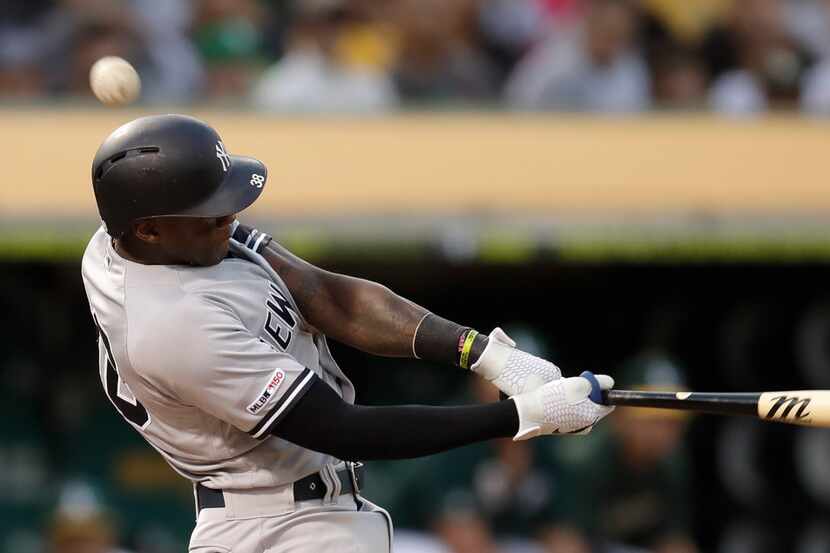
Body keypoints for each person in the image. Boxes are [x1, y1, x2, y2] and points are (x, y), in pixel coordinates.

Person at [80, 113, 615, 552]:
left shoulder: (134, 235)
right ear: (149, 229)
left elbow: (325, 294)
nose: (232, 218)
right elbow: (344, 429)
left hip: (297, 516)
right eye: (211, 215)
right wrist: (524, 416)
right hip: (278, 529)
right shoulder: (173, 324)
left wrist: (485, 356)